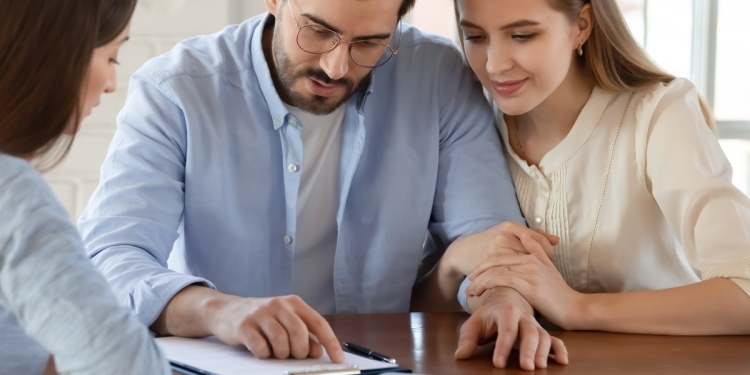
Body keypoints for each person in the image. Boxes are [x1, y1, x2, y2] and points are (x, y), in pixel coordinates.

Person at [77, 0, 567, 365]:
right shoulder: (176, 89)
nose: (336, 66)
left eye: (369, 43)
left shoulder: (438, 77)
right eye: (317, 31)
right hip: (226, 364)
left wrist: (503, 299)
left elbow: (489, 239)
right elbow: (109, 258)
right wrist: (217, 311)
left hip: (382, 363)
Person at [446, 0, 750, 370]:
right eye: (474, 36)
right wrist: (453, 259)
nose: (494, 64)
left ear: (582, 26)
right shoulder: (471, 128)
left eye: (522, 35)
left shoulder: (658, 113)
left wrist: (578, 307)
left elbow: (744, 289)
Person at [0, 1, 171, 375]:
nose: (111, 85)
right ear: (57, 52)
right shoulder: (12, 194)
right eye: (112, 58)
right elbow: (125, 365)